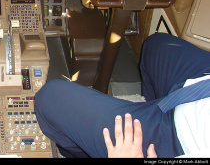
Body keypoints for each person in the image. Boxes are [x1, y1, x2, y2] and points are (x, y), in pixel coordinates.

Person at [34, 33, 210, 158]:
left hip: (178, 139)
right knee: (156, 44)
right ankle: (148, 107)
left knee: (51, 97)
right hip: (200, 88)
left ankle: (88, 150)